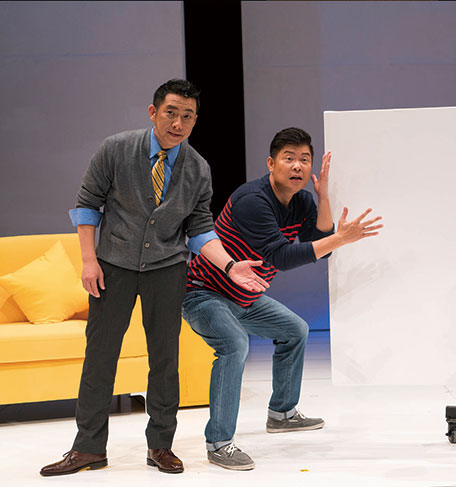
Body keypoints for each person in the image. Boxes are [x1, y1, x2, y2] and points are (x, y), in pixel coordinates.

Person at [41, 79, 268, 477]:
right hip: (113, 265)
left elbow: (200, 229)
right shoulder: (116, 149)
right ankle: (88, 448)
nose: (178, 123)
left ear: (195, 121)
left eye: (188, 116)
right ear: (153, 112)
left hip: (166, 268)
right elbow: (88, 204)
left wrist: (230, 265)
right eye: (171, 113)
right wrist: (89, 261)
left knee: (165, 359)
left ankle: (160, 445)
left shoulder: (197, 168)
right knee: (100, 357)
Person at [182, 127, 382, 471]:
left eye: (304, 159)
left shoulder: (301, 201)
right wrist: (341, 238)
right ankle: (219, 443)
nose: (298, 166)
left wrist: (323, 196)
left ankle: (283, 413)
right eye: (289, 158)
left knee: (295, 330)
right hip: (203, 292)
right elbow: (282, 257)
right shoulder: (252, 200)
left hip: (244, 297)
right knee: (233, 346)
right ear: (271, 164)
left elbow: (321, 244)